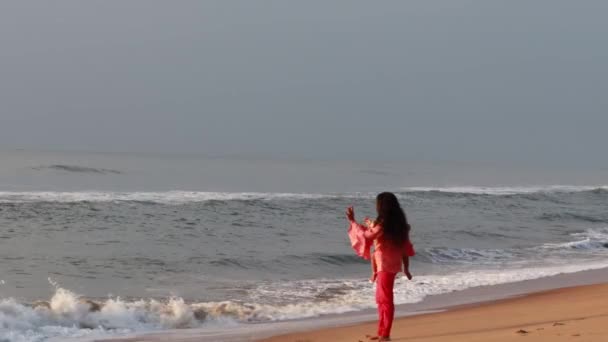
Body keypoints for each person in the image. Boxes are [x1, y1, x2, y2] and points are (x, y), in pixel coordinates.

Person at [347, 192, 414, 341]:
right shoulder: (399, 224)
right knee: (382, 299)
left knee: (385, 299)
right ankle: (382, 332)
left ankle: (385, 335)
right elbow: (405, 247)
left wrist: (353, 222)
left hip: (383, 264)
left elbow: (368, 236)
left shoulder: (383, 224)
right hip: (390, 264)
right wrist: (407, 268)